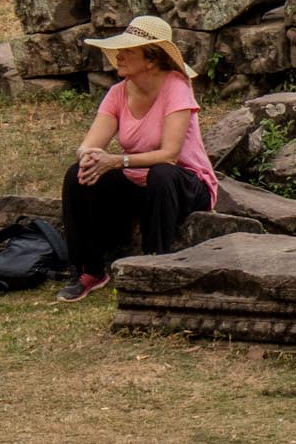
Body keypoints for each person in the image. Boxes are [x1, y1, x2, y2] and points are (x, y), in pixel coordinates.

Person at [58, 24, 215, 300]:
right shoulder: (118, 93)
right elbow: (89, 144)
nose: (118, 57)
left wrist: (116, 161)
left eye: (127, 51)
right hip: (137, 182)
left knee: (162, 173)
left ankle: (154, 267)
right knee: (77, 175)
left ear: (151, 59)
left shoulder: (176, 87)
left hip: (184, 185)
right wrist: (89, 157)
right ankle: (89, 270)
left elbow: (169, 155)